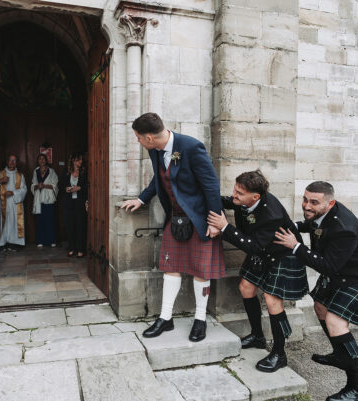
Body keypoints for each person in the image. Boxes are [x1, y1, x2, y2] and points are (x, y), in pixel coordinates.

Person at [274, 181, 358, 401]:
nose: (306, 205)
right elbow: (316, 226)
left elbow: (328, 266)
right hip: (341, 269)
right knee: (320, 306)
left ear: (330, 203)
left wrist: (296, 246)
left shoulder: (344, 228)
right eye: (305, 199)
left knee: (335, 321)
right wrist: (295, 226)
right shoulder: (325, 215)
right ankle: (341, 355)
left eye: (313, 202)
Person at [121, 112, 225, 342]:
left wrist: (215, 220)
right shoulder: (154, 150)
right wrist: (141, 199)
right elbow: (158, 180)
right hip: (175, 217)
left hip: (200, 218)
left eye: (138, 137)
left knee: (201, 270)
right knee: (171, 266)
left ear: (149, 137)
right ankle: (165, 318)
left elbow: (211, 185)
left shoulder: (191, 147)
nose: (137, 141)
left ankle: (200, 319)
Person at [207, 170, 308, 372]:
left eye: (239, 193)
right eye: (234, 190)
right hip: (263, 250)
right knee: (246, 287)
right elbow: (226, 201)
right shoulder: (244, 200)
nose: (234, 195)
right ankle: (258, 337)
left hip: (283, 255)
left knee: (272, 300)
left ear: (255, 197)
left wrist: (225, 227)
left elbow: (253, 246)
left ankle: (279, 354)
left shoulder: (271, 213)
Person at [0, 155, 27, 251]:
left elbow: (24, 190)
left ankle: (13, 243)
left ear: (16, 163)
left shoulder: (20, 175)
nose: (12, 162)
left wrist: (13, 193)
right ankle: (2, 243)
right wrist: (1, 180)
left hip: (15, 204)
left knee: (14, 223)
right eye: (10, 160)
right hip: (3, 203)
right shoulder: (0, 174)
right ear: (7, 162)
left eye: (14, 161)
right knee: (3, 223)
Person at [61, 152, 88, 257]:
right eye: (78, 160)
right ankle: (71, 248)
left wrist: (79, 188)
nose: (80, 162)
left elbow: (88, 186)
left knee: (80, 225)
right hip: (68, 203)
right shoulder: (66, 172)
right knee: (70, 226)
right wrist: (66, 189)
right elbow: (61, 185)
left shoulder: (84, 172)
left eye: (81, 159)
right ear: (72, 160)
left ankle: (81, 249)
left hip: (80, 203)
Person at [31, 153, 59, 248]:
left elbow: (55, 185)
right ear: (38, 161)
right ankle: (40, 240)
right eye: (40, 159)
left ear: (46, 160)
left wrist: (45, 185)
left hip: (48, 199)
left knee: (50, 220)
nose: (42, 160)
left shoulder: (51, 171)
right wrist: (37, 186)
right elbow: (33, 184)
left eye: (43, 159)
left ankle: (52, 240)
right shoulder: (36, 171)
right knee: (40, 221)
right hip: (39, 199)